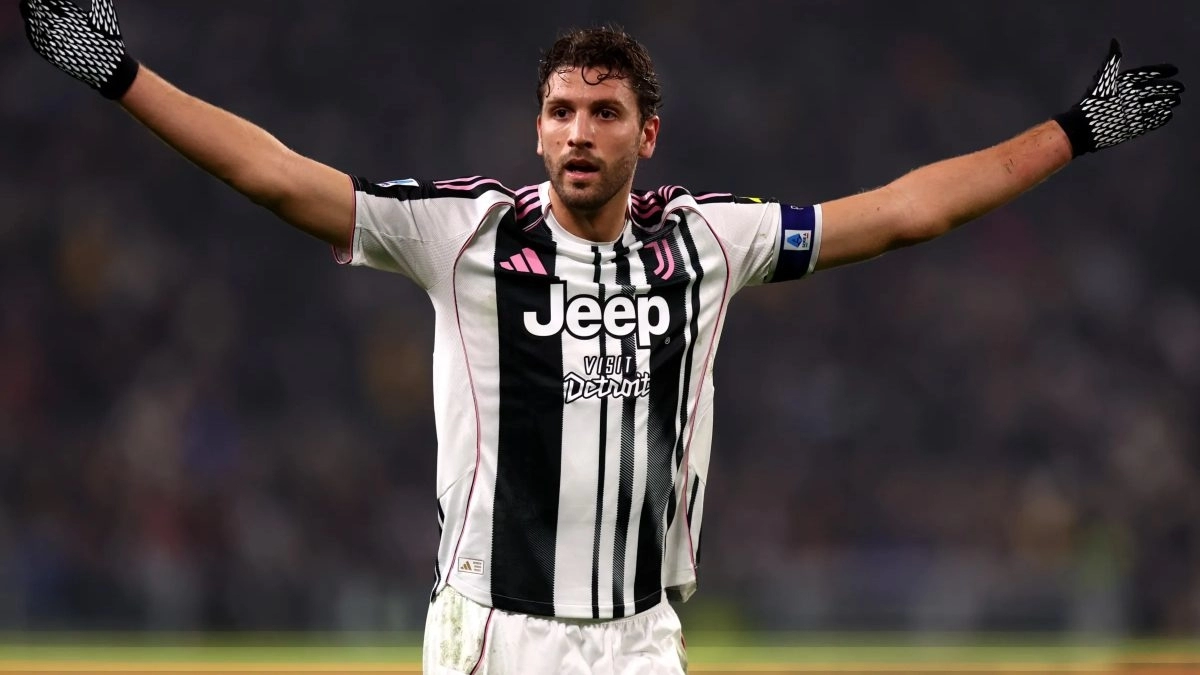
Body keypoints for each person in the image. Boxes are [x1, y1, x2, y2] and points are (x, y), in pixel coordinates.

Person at [20, 0, 1184, 672]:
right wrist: (121, 73)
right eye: (563, 111)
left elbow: (908, 210)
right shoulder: (461, 233)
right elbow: (275, 175)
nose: (581, 131)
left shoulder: (706, 242)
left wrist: (1075, 130)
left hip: (639, 640)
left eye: (606, 112)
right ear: (536, 129)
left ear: (648, 134)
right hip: (495, 638)